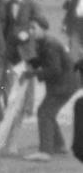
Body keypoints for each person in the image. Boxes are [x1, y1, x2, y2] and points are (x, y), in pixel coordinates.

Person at [20, 16, 81, 162]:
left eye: (34, 28)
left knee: (44, 112)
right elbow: (45, 62)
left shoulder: (50, 44)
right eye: (30, 28)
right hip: (68, 83)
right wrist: (32, 63)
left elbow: (54, 70)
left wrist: (32, 73)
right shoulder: (44, 42)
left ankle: (45, 151)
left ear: (43, 28)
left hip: (64, 84)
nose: (31, 31)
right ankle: (58, 146)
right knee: (49, 112)